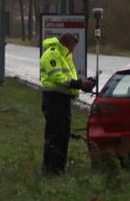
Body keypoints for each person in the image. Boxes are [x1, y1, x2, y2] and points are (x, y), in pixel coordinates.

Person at [39, 32, 95, 175]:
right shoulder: (52, 54)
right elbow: (59, 78)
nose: (73, 50)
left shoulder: (64, 56)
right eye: (73, 46)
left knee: (63, 134)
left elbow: (68, 79)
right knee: (55, 134)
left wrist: (83, 84)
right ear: (67, 43)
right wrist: (79, 83)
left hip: (63, 99)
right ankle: (50, 169)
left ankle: (59, 168)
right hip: (53, 99)